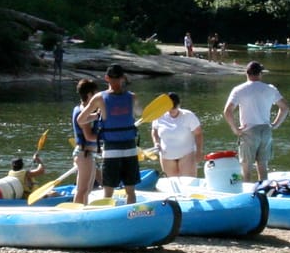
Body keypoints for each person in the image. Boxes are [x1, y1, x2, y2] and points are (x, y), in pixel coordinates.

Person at [222, 60, 289, 182]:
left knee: (246, 168)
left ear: (246, 73)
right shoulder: (270, 88)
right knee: (263, 166)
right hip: (266, 130)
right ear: (260, 74)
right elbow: (285, 107)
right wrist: (275, 124)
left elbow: (227, 111)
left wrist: (235, 129)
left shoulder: (239, 89)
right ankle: (264, 193)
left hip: (248, 130)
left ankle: (248, 195)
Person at [94, 64, 142, 204]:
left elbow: (81, 119)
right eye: (115, 79)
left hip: (121, 149)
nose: (115, 82)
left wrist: (97, 116)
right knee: (116, 191)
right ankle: (118, 216)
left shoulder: (99, 98)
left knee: (122, 191)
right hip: (119, 148)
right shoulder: (131, 97)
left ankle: (125, 217)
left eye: (117, 79)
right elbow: (139, 113)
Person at [151, 93, 206, 178]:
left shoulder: (188, 115)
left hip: (187, 154)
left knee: (189, 182)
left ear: (179, 105)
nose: (172, 110)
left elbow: (198, 134)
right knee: (172, 184)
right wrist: (156, 142)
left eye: (174, 107)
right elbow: (154, 130)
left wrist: (199, 151)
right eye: (169, 107)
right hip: (166, 155)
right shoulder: (159, 116)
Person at [69, 78, 101, 205]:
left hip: (88, 154)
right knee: (82, 189)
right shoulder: (82, 112)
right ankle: (76, 215)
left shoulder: (83, 110)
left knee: (87, 189)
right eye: (96, 95)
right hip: (84, 153)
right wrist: (105, 136)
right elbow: (88, 137)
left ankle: (84, 211)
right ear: (89, 95)